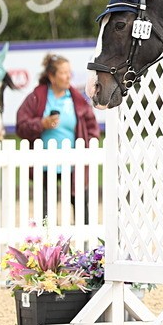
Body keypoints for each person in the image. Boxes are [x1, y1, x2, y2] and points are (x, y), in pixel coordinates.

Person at [15, 54, 101, 222]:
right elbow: (21, 125)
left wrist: (87, 149)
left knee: (82, 209)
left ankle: (86, 245)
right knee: (45, 214)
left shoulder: (77, 100)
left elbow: (92, 128)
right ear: (51, 77)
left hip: (73, 165)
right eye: (63, 72)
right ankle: (45, 247)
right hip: (45, 167)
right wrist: (41, 124)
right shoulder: (36, 97)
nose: (68, 76)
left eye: (69, 72)